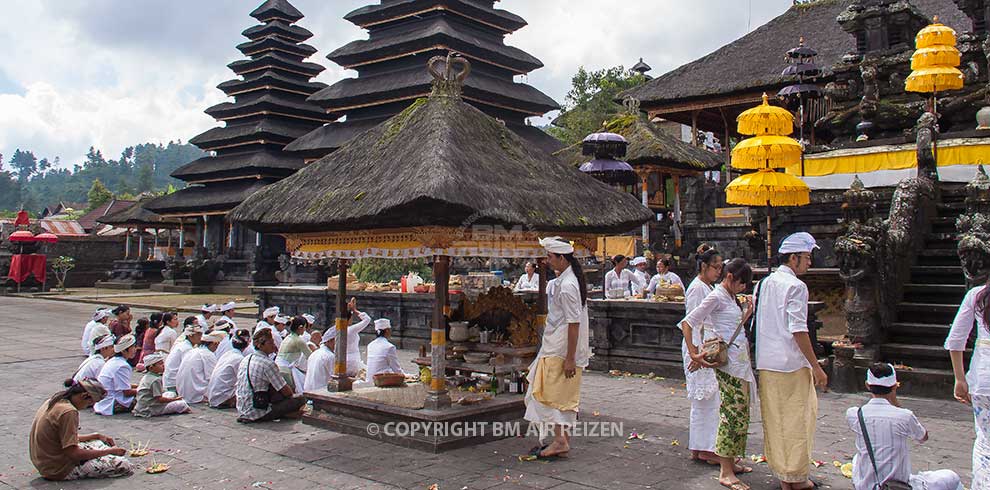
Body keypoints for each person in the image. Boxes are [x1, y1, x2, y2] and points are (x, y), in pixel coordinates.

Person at [755, 232, 829, 490]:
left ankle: (786, 474)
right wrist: (817, 366)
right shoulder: (796, 286)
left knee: (776, 419)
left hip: (767, 361)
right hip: (790, 363)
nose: (810, 263)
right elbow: (798, 329)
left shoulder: (764, 283)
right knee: (798, 419)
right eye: (807, 258)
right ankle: (795, 477)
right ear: (794, 258)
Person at [681, 258, 757, 490]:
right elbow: (688, 322)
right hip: (728, 366)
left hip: (740, 364)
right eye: (742, 283)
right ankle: (725, 470)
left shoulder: (730, 297)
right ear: (731, 277)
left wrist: (747, 312)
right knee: (731, 415)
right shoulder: (715, 295)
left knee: (741, 416)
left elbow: (733, 327)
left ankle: (731, 461)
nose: (744, 288)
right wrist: (694, 354)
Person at [525, 237, 591, 459]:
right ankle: (561, 440)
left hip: (561, 348)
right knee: (558, 393)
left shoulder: (569, 285)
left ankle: (560, 440)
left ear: (562, 258)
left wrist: (570, 357)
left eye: (550, 257)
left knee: (547, 393)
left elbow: (574, 324)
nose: (547, 261)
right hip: (555, 343)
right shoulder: (563, 281)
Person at [846, 363, 963, 490]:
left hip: (865, 486)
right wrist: (895, 403)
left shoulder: (854, 414)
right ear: (894, 386)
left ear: (867, 385)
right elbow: (923, 437)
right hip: (899, 486)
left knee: (857, 458)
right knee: (951, 477)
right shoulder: (905, 416)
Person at [30, 379, 133, 481]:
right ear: (84, 396)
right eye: (90, 403)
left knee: (97, 441)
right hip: (58, 469)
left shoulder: (55, 400)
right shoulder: (68, 411)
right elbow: (73, 453)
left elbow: (60, 437)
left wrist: (95, 435)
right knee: (124, 464)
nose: (88, 406)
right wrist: (108, 451)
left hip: (44, 463)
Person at [946, 278, 990, 489]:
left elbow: (956, 339)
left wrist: (960, 378)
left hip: (983, 382)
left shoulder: (977, 296)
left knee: (985, 443)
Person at [682, 245, 723, 465]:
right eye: (715, 267)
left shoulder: (708, 287)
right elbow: (690, 323)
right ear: (704, 266)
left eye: (720, 267)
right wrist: (695, 352)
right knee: (707, 399)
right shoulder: (697, 288)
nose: (718, 271)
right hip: (699, 345)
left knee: (707, 400)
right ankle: (706, 448)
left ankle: (701, 446)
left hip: (705, 344)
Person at [235, 329, 306, 423]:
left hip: (242, 408)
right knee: (301, 399)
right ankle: (283, 414)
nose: (274, 345)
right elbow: (287, 392)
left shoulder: (246, 359)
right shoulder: (268, 364)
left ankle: (285, 413)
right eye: (270, 343)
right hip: (257, 411)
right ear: (261, 345)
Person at [132, 352, 190, 418]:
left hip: (143, 406)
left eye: (162, 363)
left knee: (170, 393)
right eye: (160, 364)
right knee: (181, 404)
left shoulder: (147, 376)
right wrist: (174, 400)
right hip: (149, 409)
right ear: (151, 368)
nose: (163, 365)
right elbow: (159, 399)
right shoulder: (155, 380)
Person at [94, 334, 139, 415]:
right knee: (148, 398)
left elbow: (120, 385)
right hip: (113, 402)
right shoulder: (122, 366)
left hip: (104, 400)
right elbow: (126, 392)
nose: (135, 350)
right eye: (133, 347)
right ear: (124, 351)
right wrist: (144, 390)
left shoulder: (113, 361)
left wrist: (137, 386)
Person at [208, 328, 251, 409]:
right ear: (248, 344)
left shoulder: (227, 354)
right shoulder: (239, 359)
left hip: (213, 396)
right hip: (222, 399)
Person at [176, 331, 222, 404]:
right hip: (196, 394)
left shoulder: (192, 351)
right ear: (214, 344)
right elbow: (212, 378)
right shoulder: (208, 354)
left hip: (182, 392)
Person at [276, 316, 313, 393]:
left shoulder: (288, 337)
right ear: (300, 327)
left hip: (278, 367)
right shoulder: (299, 340)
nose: (305, 330)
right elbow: (311, 356)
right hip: (285, 370)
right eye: (305, 327)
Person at [163, 320, 201, 392]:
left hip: (171, 380)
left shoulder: (183, 344)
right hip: (174, 383)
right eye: (198, 334)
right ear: (191, 335)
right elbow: (187, 370)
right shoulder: (186, 348)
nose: (200, 337)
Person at [344, 298, 373, 376]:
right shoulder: (351, 330)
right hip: (353, 361)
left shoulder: (336, 330)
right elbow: (367, 319)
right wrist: (355, 310)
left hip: (341, 361)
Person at [303, 327, 337, 392]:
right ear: (329, 341)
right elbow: (335, 378)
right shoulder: (329, 356)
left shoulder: (315, 353)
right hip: (320, 392)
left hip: (308, 390)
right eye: (336, 340)